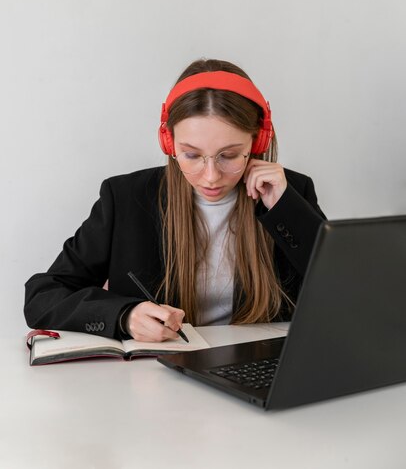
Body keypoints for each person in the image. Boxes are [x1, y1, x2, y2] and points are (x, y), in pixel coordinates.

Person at [24, 58, 326, 343]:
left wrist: (287, 210)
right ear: (168, 142)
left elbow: (346, 293)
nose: (210, 176)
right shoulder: (125, 198)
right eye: (192, 155)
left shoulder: (292, 192)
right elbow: (43, 295)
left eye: (229, 155)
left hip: (258, 370)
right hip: (157, 377)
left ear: (258, 141)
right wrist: (124, 316)